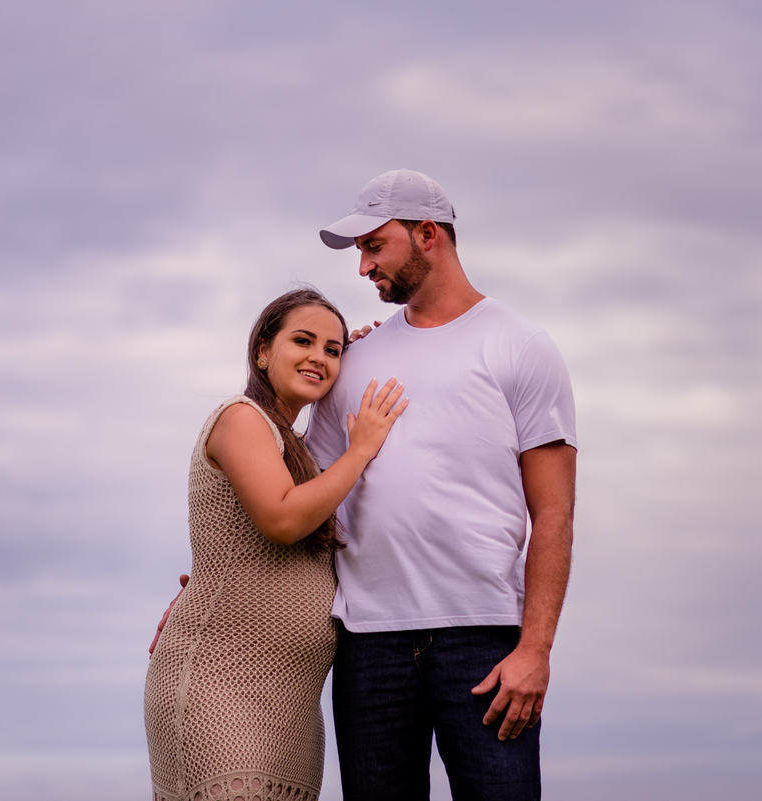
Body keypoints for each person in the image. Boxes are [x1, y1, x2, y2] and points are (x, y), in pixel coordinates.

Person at [308, 169, 577, 800]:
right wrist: (220, 584)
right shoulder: (353, 358)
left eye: (375, 246)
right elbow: (308, 497)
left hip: (483, 643)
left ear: (426, 234)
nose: (364, 266)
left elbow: (555, 516)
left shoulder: (521, 346)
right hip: (367, 644)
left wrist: (535, 650)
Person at [144, 288, 408, 801]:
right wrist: (362, 451)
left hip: (290, 708)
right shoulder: (240, 418)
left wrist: (371, 355)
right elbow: (283, 519)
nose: (318, 356)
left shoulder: (301, 450)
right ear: (262, 350)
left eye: (332, 350)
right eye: (302, 341)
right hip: (218, 690)